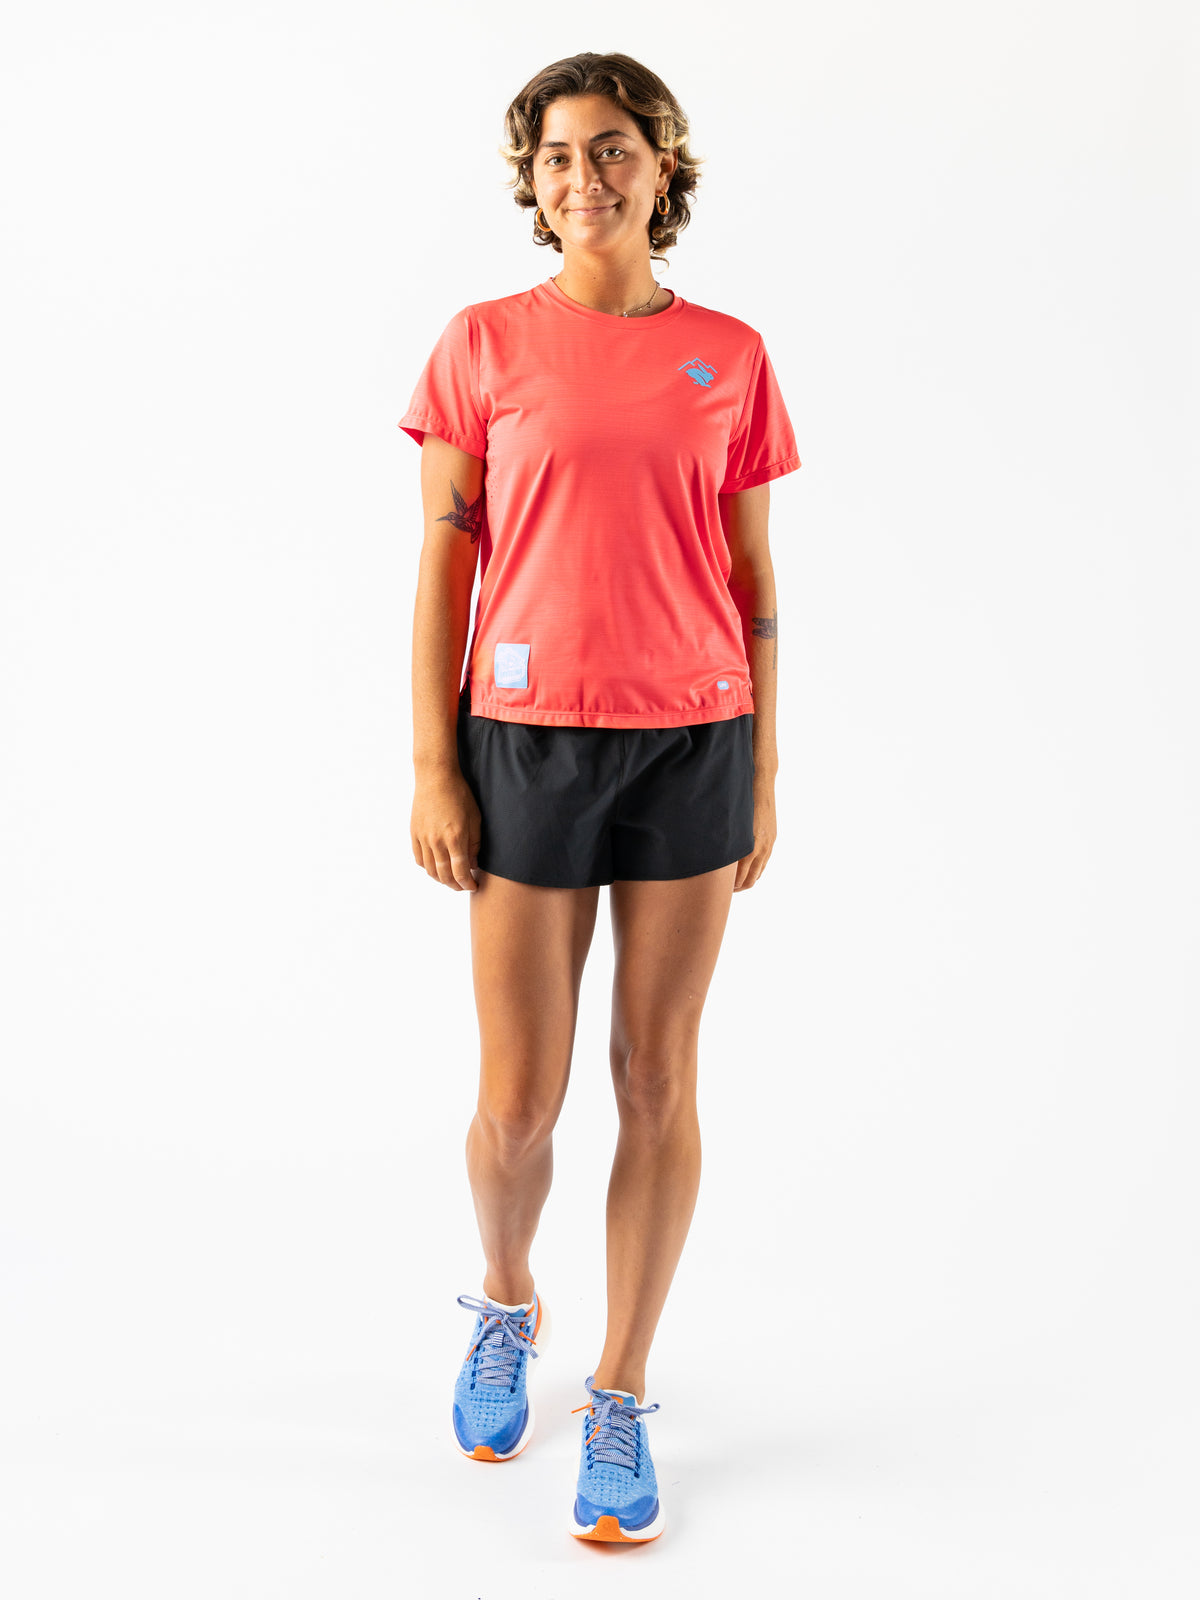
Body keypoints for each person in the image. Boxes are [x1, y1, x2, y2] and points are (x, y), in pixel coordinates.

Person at [399, 51, 801, 1545]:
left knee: (654, 1079)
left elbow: (752, 576)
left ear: (661, 166)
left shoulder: (731, 355)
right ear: (534, 178)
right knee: (520, 1100)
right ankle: (508, 1300)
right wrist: (434, 763)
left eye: (615, 148)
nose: (588, 177)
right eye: (561, 155)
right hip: (523, 744)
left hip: (694, 742)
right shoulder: (482, 345)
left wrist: (764, 769)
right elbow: (445, 563)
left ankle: (620, 1387)